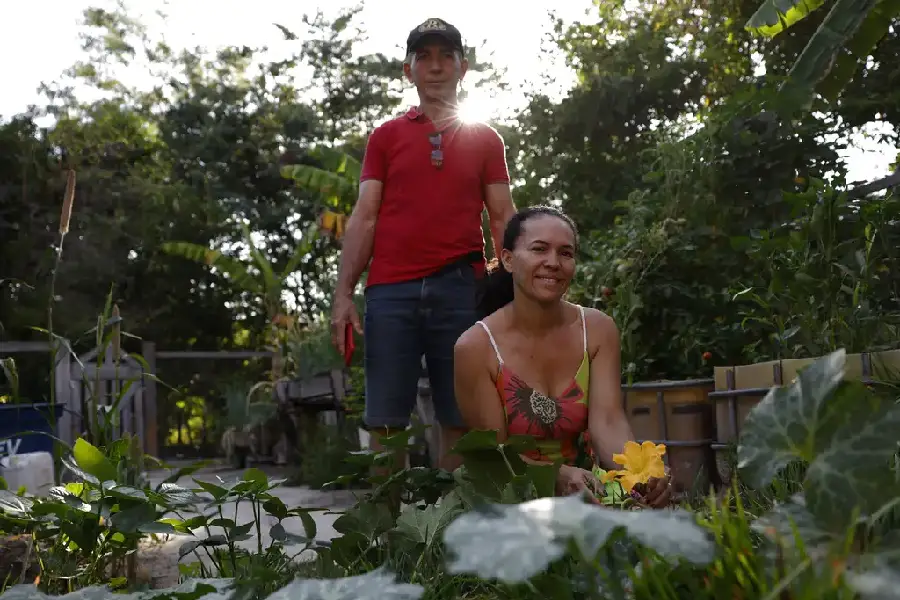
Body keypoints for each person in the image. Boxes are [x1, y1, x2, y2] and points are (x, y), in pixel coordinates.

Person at [330, 17, 516, 471]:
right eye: (424, 57)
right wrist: (343, 294)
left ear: (462, 67)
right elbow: (365, 214)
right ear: (407, 70)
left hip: (461, 288)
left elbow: (503, 217)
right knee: (385, 421)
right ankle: (391, 537)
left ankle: (447, 532)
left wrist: (518, 291)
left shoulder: (486, 138)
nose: (435, 66)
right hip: (390, 291)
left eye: (445, 56)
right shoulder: (385, 137)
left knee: (458, 417)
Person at [453, 205, 672, 508]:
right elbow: (496, 457)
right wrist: (555, 475)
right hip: (509, 499)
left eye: (566, 253)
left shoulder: (597, 330)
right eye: (539, 249)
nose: (553, 263)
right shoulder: (475, 347)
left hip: (588, 490)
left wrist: (639, 472)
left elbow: (608, 422)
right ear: (507, 260)